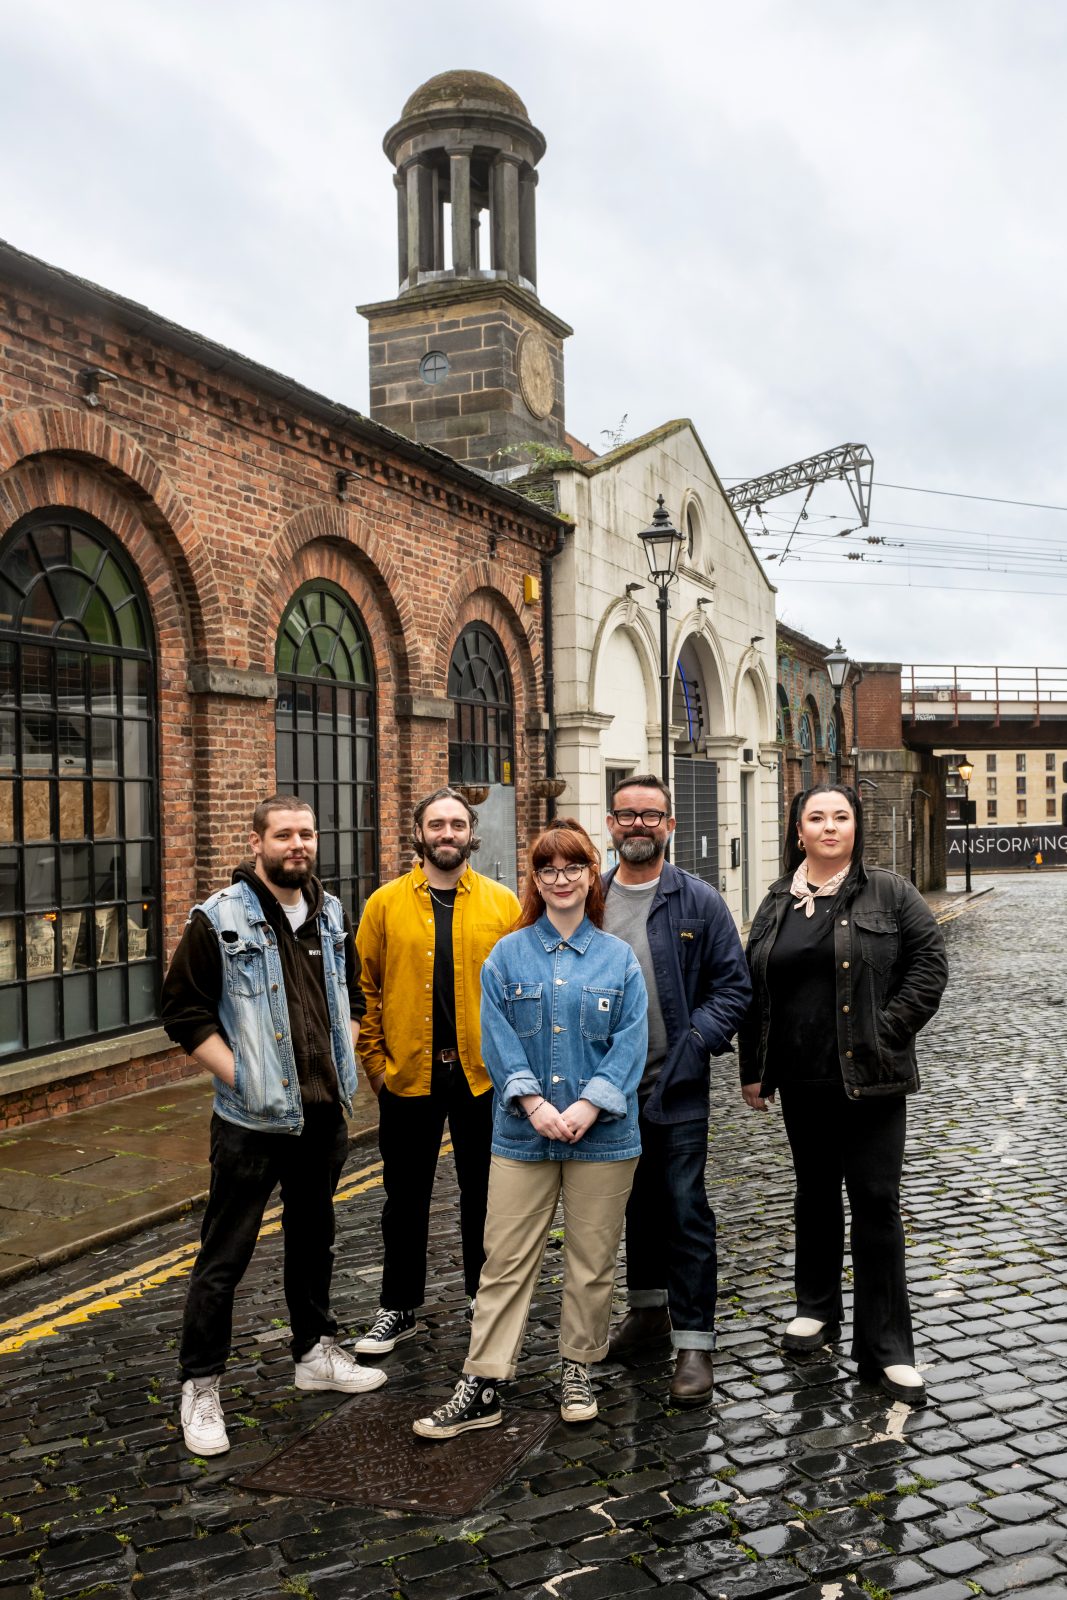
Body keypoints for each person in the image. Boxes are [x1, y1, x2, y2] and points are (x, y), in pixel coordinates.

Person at [161, 795, 386, 1459]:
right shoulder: (218, 918)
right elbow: (182, 1012)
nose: (298, 844)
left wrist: (342, 1055)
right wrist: (245, 1078)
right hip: (251, 1122)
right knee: (223, 1258)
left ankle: (314, 1352)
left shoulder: (331, 912)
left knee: (313, 1240)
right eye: (284, 834)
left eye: (306, 833)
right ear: (257, 842)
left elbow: (353, 994)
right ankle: (199, 1385)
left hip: (321, 1115)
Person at [412, 819, 648, 1438]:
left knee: (591, 1262)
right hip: (522, 1134)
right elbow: (497, 1038)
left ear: (591, 875)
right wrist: (535, 1104)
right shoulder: (507, 955)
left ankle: (578, 1365)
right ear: (535, 881)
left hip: (605, 1139)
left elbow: (630, 1044)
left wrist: (591, 1105)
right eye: (549, 870)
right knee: (505, 1260)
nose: (561, 880)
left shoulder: (618, 959)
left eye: (573, 868)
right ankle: (483, 1381)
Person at [738, 784, 948, 1406]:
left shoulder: (890, 892)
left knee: (877, 1203)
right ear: (797, 829)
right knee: (814, 1194)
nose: (829, 828)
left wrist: (885, 1032)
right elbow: (757, 989)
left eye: (841, 817)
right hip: (802, 1079)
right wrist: (755, 1067)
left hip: (870, 1079)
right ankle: (816, 1308)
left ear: (855, 827)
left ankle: (887, 1347)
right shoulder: (777, 899)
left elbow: (929, 966)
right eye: (816, 818)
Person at [601, 775, 752, 1406]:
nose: (637, 825)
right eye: (625, 814)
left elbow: (734, 988)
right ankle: (648, 1314)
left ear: (669, 825)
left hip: (676, 1083)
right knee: (632, 1207)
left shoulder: (699, 902)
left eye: (650, 816)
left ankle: (695, 1343)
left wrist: (694, 1042)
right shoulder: (586, 897)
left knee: (686, 1212)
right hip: (604, 1091)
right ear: (611, 823)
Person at [354, 787, 520, 1356]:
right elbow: (364, 989)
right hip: (408, 1075)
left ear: (472, 833)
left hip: (483, 1077)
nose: (446, 834)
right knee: (404, 1198)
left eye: (456, 824)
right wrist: (375, 1066)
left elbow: (520, 991)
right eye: (436, 824)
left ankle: (483, 1296)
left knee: (485, 1194)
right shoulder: (384, 904)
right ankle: (398, 1307)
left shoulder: (504, 905)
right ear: (418, 833)